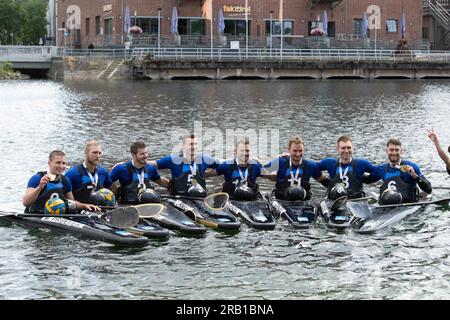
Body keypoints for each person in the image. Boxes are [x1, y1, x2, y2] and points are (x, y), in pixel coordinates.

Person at [23, 150, 100, 213]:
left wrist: (84, 206)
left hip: (58, 218)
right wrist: (40, 187)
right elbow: (25, 202)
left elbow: (71, 202)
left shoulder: (65, 181)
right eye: (58, 162)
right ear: (49, 163)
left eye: (63, 163)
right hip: (37, 215)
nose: (61, 166)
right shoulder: (37, 178)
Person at [151, 133, 219, 198]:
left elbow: (222, 165)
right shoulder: (173, 159)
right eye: (191, 144)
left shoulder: (204, 159)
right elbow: (151, 164)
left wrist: (207, 174)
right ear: (183, 146)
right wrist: (157, 179)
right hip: (180, 198)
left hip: (199, 198)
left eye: (196, 144)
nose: (194, 147)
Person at [365, 138, 432, 205]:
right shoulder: (381, 169)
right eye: (391, 150)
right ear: (387, 151)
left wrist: (415, 176)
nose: (394, 153)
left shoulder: (412, 166)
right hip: (388, 206)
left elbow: (429, 189)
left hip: (409, 205)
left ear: (401, 151)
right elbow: (367, 180)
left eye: (397, 150)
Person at [265, 137, 329, 201]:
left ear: (304, 150)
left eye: (300, 151)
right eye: (295, 151)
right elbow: (261, 171)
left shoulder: (310, 165)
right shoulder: (279, 162)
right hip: (282, 199)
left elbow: (323, 180)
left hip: (303, 201)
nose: (298, 154)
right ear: (289, 150)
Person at [317, 135, 376, 200]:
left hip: (356, 202)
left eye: (349, 148)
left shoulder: (361, 164)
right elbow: (311, 167)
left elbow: (378, 172)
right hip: (334, 202)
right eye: (343, 148)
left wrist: (367, 179)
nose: (346, 151)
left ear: (352, 148)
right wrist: (322, 180)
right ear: (337, 149)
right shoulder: (329, 163)